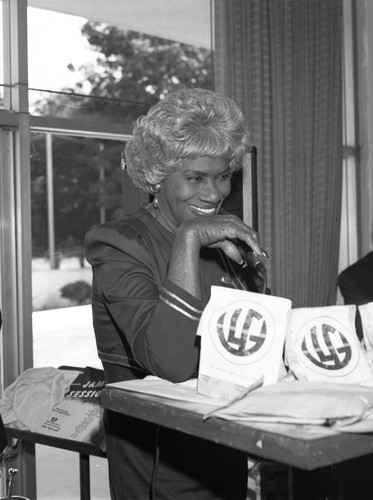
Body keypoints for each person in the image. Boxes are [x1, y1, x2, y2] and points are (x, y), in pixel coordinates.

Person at [85, 88, 268, 500]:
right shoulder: (118, 243)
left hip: (225, 462)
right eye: (195, 178)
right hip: (159, 475)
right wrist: (189, 239)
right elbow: (171, 361)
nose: (214, 194)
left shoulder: (224, 244)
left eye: (222, 176)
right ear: (156, 177)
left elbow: (255, 350)